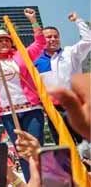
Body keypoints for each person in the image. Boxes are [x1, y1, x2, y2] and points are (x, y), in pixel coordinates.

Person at [0, 8, 47, 181]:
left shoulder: (22, 55)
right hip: (8, 113)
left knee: (35, 148)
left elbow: (40, 43)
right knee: (21, 151)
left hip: (31, 109)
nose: (4, 43)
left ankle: (43, 182)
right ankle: (30, 182)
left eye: (6, 40)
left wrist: (33, 21)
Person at [36, 11, 91, 143]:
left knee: (86, 142)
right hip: (53, 110)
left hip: (75, 106)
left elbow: (88, 40)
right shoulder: (36, 61)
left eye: (56, 36)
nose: (53, 39)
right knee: (63, 146)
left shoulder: (71, 52)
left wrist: (78, 20)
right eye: (49, 37)